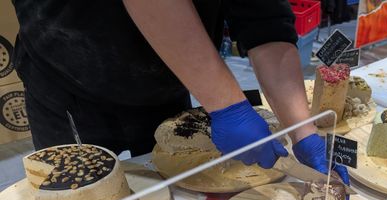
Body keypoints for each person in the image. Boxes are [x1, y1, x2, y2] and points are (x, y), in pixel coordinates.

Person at [12, 0, 349, 184]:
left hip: (169, 76)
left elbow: (265, 21)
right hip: (69, 79)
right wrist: (229, 107)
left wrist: (302, 131)